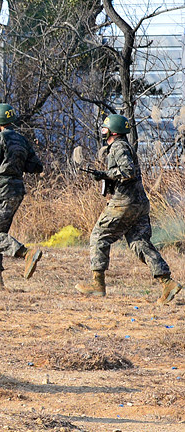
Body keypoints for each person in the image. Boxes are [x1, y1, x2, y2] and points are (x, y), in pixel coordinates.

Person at [75, 114, 182, 304]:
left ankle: (97, 285)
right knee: (139, 243)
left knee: (99, 236)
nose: (103, 130)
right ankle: (168, 283)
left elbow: (128, 171)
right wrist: (105, 177)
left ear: (114, 131)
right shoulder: (123, 146)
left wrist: (105, 174)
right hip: (139, 203)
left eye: (106, 128)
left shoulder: (118, 146)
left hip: (124, 203)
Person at [0, 102, 45, 290]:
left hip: (3, 190)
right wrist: (16, 161)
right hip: (17, 189)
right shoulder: (22, 139)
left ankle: (26, 253)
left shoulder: (0, 138)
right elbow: (37, 167)